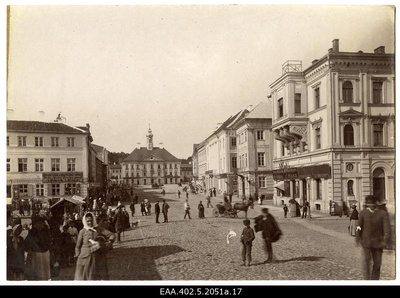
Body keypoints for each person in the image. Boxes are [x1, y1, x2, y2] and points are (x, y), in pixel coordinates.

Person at [356, 195, 391, 280]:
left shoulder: (382, 213)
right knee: (367, 261)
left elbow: (387, 228)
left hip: (378, 243)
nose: (370, 205)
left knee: (377, 264)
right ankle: (367, 279)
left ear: (376, 203)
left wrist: (385, 240)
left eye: (371, 203)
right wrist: (358, 237)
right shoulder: (363, 213)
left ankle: (375, 280)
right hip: (366, 242)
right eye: (368, 203)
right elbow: (359, 226)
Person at [74, 212, 115, 280]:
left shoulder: (98, 229)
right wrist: (77, 256)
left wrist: (110, 242)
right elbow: (77, 246)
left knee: (98, 276)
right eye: (88, 221)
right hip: (84, 257)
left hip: (97, 257)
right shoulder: (82, 231)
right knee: (83, 277)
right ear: (85, 221)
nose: (90, 223)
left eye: (91, 220)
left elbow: (112, 235)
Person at [24, 215, 52, 280]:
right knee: (38, 274)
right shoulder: (32, 232)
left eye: (42, 223)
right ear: (35, 224)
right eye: (39, 223)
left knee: (43, 274)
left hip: (44, 255)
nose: (41, 224)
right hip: (36, 255)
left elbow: (48, 242)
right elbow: (28, 243)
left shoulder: (44, 231)